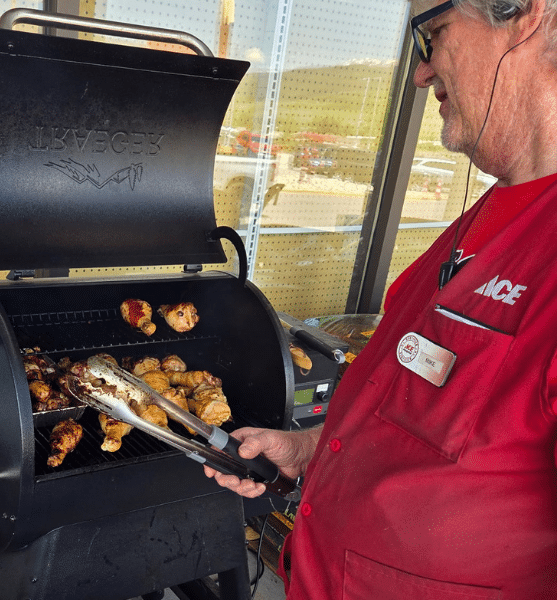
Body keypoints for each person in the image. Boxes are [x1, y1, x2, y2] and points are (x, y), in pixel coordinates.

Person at [205, 1, 557, 598]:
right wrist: (308, 450)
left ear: (524, 14)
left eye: (433, 33)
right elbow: (417, 416)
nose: (420, 73)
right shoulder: (478, 225)